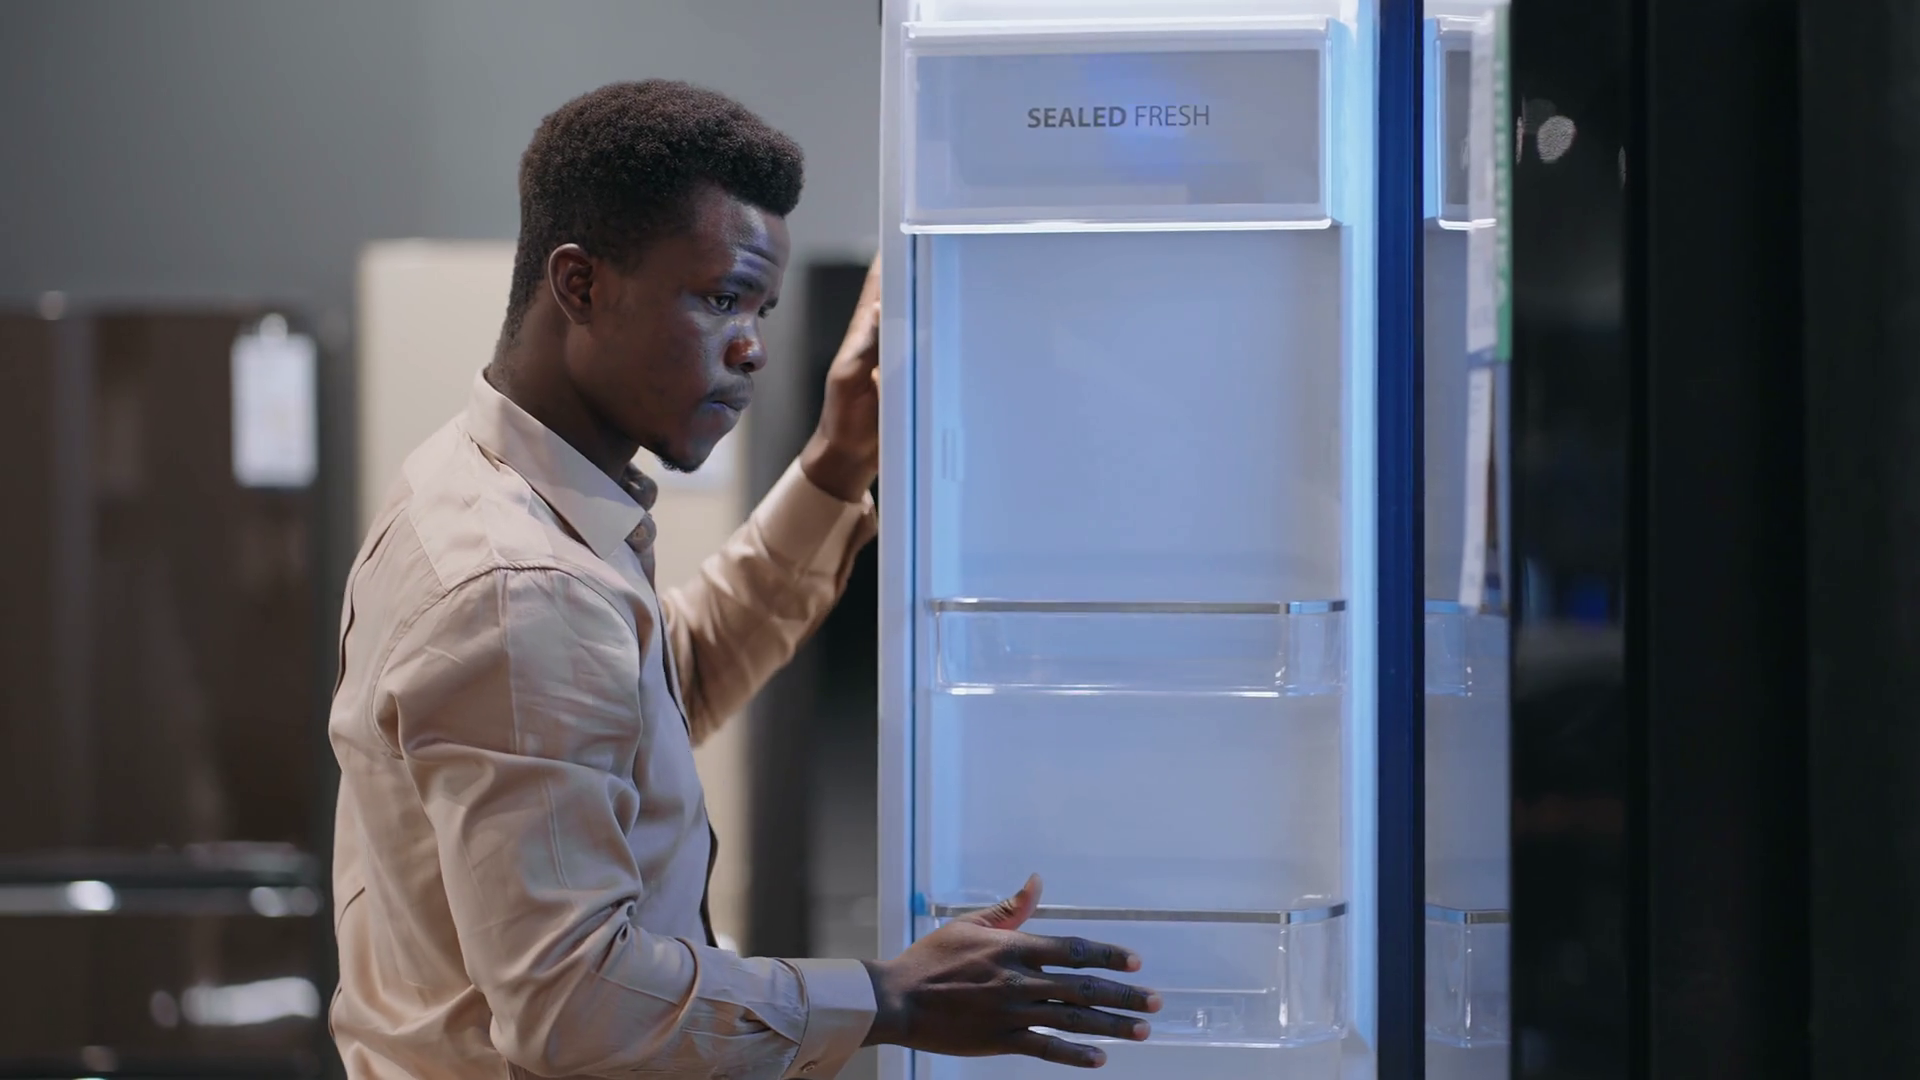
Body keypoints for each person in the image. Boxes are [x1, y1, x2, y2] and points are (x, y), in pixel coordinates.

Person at [327, 80, 1160, 1080]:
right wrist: (891, 996)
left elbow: (662, 684)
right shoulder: (518, 582)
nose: (754, 346)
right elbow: (573, 1004)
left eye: (761, 309)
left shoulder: (487, 487)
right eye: (722, 299)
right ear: (581, 285)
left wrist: (838, 461)